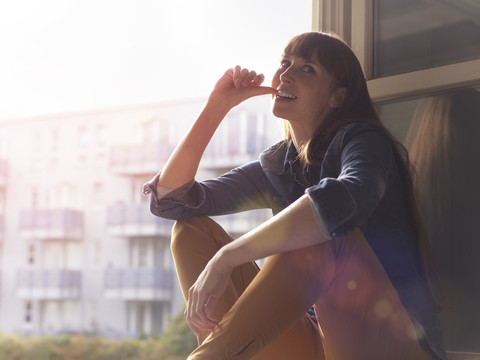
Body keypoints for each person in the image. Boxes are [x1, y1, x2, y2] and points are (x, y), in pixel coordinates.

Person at [143, 32, 446, 360]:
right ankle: (217, 351)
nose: (285, 75)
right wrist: (219, 105)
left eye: (307, 69)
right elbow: (172, 200)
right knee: (191, 230)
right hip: (316, 342)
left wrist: (227, 257)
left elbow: (344, 201)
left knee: (322, 232)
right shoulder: (279, 166)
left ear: (337, 97)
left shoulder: (363, 140)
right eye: (285, 63)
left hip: (392, 340)